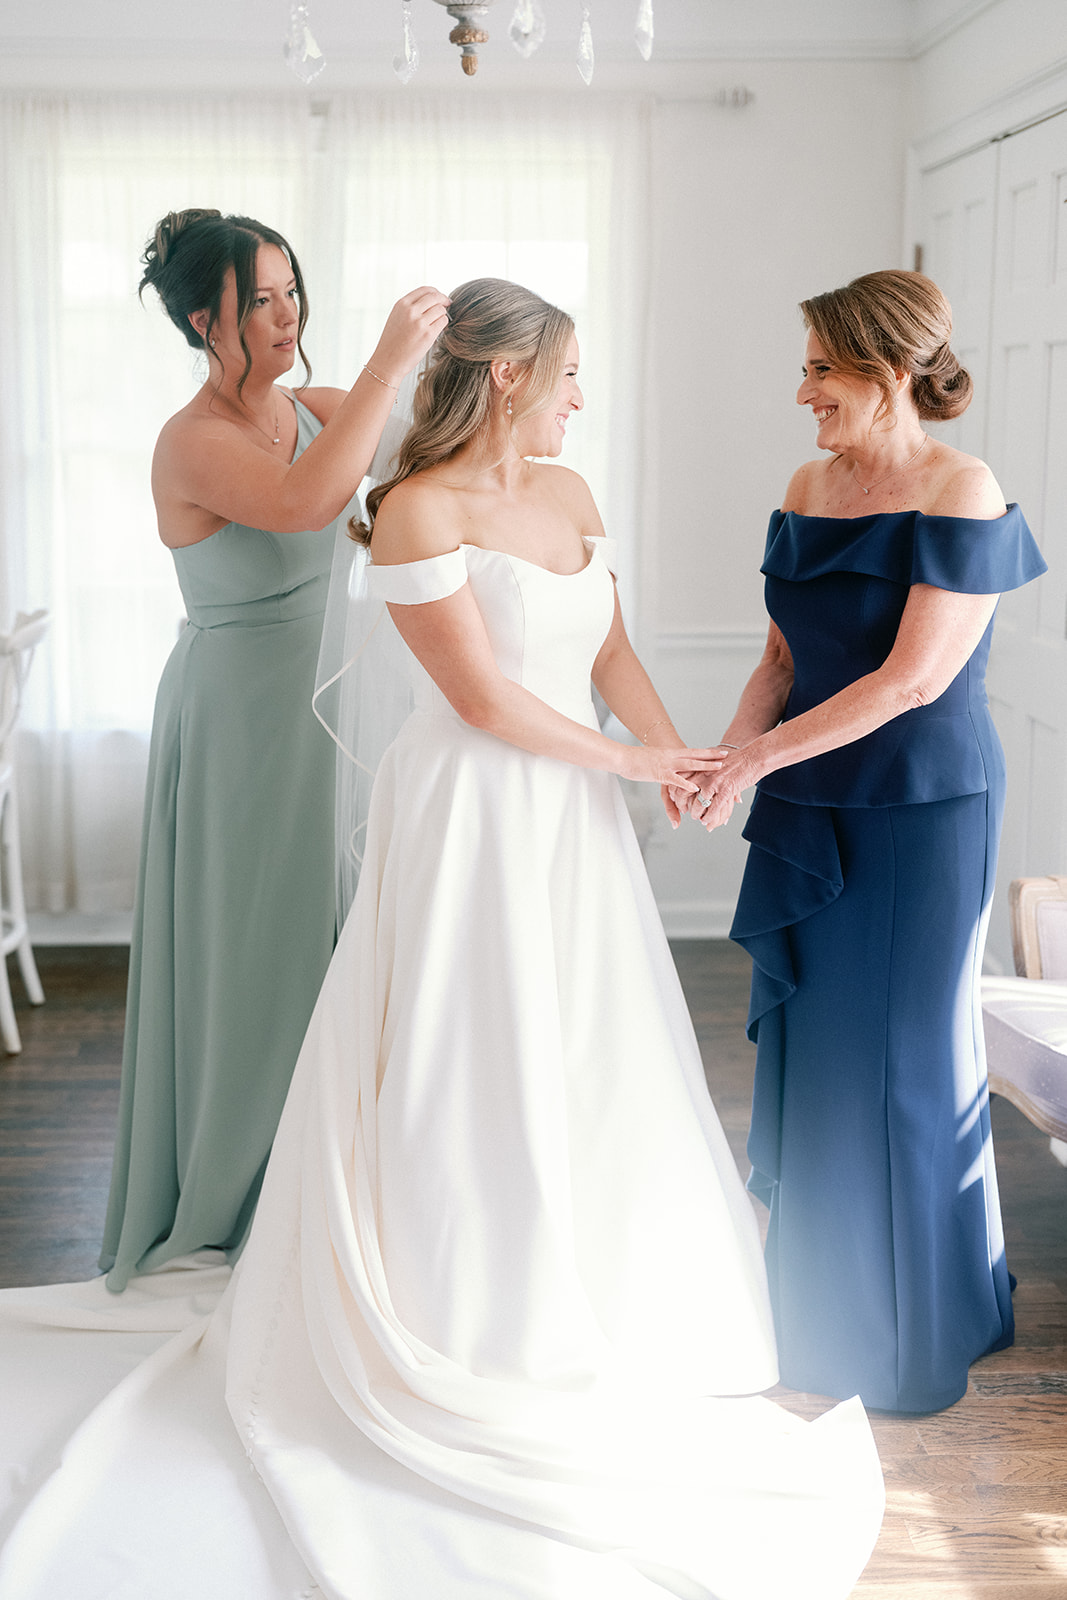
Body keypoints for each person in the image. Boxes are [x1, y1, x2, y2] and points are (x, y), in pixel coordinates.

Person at [0, 279, 885, 1599]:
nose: (584, 397)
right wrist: (638, 760)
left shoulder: (572, 496)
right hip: (473, 814)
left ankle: (598, 1292)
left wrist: (692, 761)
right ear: (512, 375)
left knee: (585, 1039)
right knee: (470, 1045)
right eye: (570, 373)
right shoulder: (409, 512)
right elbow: (478, 699)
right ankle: (460, 1299)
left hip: (572, 812)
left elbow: (611, 654)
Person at [688, 269, 1046, 1413]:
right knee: (823, 1054)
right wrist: (721, 754)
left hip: (919, 808)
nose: (801, 393)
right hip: (808, 793)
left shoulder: (962, 485)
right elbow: (782, 661)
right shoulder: (806, 482)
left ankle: (913, 1331)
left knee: (905, 1065)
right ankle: (820, 1304)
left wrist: (754, 759)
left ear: (887, 369)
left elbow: (908, 681)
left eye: (818, 369)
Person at [99, 209, 450, 1291]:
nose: (288, 312)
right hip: (239, 724)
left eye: (293, 289)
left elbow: (424, 438)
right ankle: (231, 1185)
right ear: (204, 317)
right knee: (249, 954)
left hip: (324, 719)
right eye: (261, 297)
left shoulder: (315, 408)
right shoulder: (189, 439)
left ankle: (318, 1180)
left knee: (324, 947)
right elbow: (306, 506)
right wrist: (391, 361)